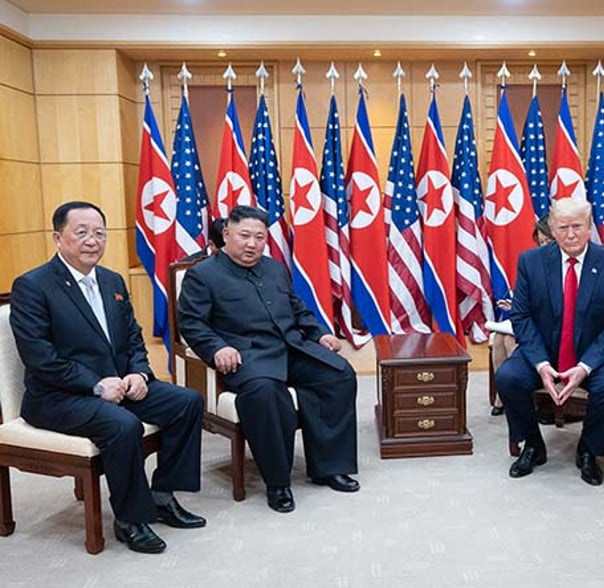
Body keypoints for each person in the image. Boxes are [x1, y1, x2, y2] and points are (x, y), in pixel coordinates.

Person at [10, 200, 206, 554]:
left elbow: (133, 337)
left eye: (99, 233)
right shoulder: (32, 286)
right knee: (122, 426)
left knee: (187, 402)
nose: (92, 241)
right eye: (81, 232)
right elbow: (41, 359)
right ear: (58, 237)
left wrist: (139, 372)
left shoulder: (112, 280)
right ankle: (130, 519)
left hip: (119, 384)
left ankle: (162, 496)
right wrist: (95, 385)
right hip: (57, 396)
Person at [177, 205, 359, 514]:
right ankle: (278, 482)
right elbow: (192, 323)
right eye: (244, 235)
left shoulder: (274, 268)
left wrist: (318, 334)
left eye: (259, 237)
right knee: (267, 396)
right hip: (247, 357)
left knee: (338, 374)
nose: (252, 244)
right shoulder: (202, 275)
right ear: (226, 234)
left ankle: (329, 467)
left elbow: (296, 307)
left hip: (290, 348)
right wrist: (217, 348)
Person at [495, 198, 604, 485]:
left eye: (577, 226)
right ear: (552, 231)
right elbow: (521, 316)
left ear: (590, 228)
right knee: (507, 377)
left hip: (597, 353)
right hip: (546, 349)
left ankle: (589, 450)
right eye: (563, 227)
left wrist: (585, 367)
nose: (571, 234)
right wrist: (542, 364)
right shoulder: (530, 262)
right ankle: (533, 445)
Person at [489, 215, 555, 416]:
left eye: (548, 241)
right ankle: (504, 395)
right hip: (529, 319)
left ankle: (528, 399)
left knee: (511, 340)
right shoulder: (532, 262)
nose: (543, 246)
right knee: (500, 337)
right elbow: (522, 297)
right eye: (541, 242)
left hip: (548, 326)